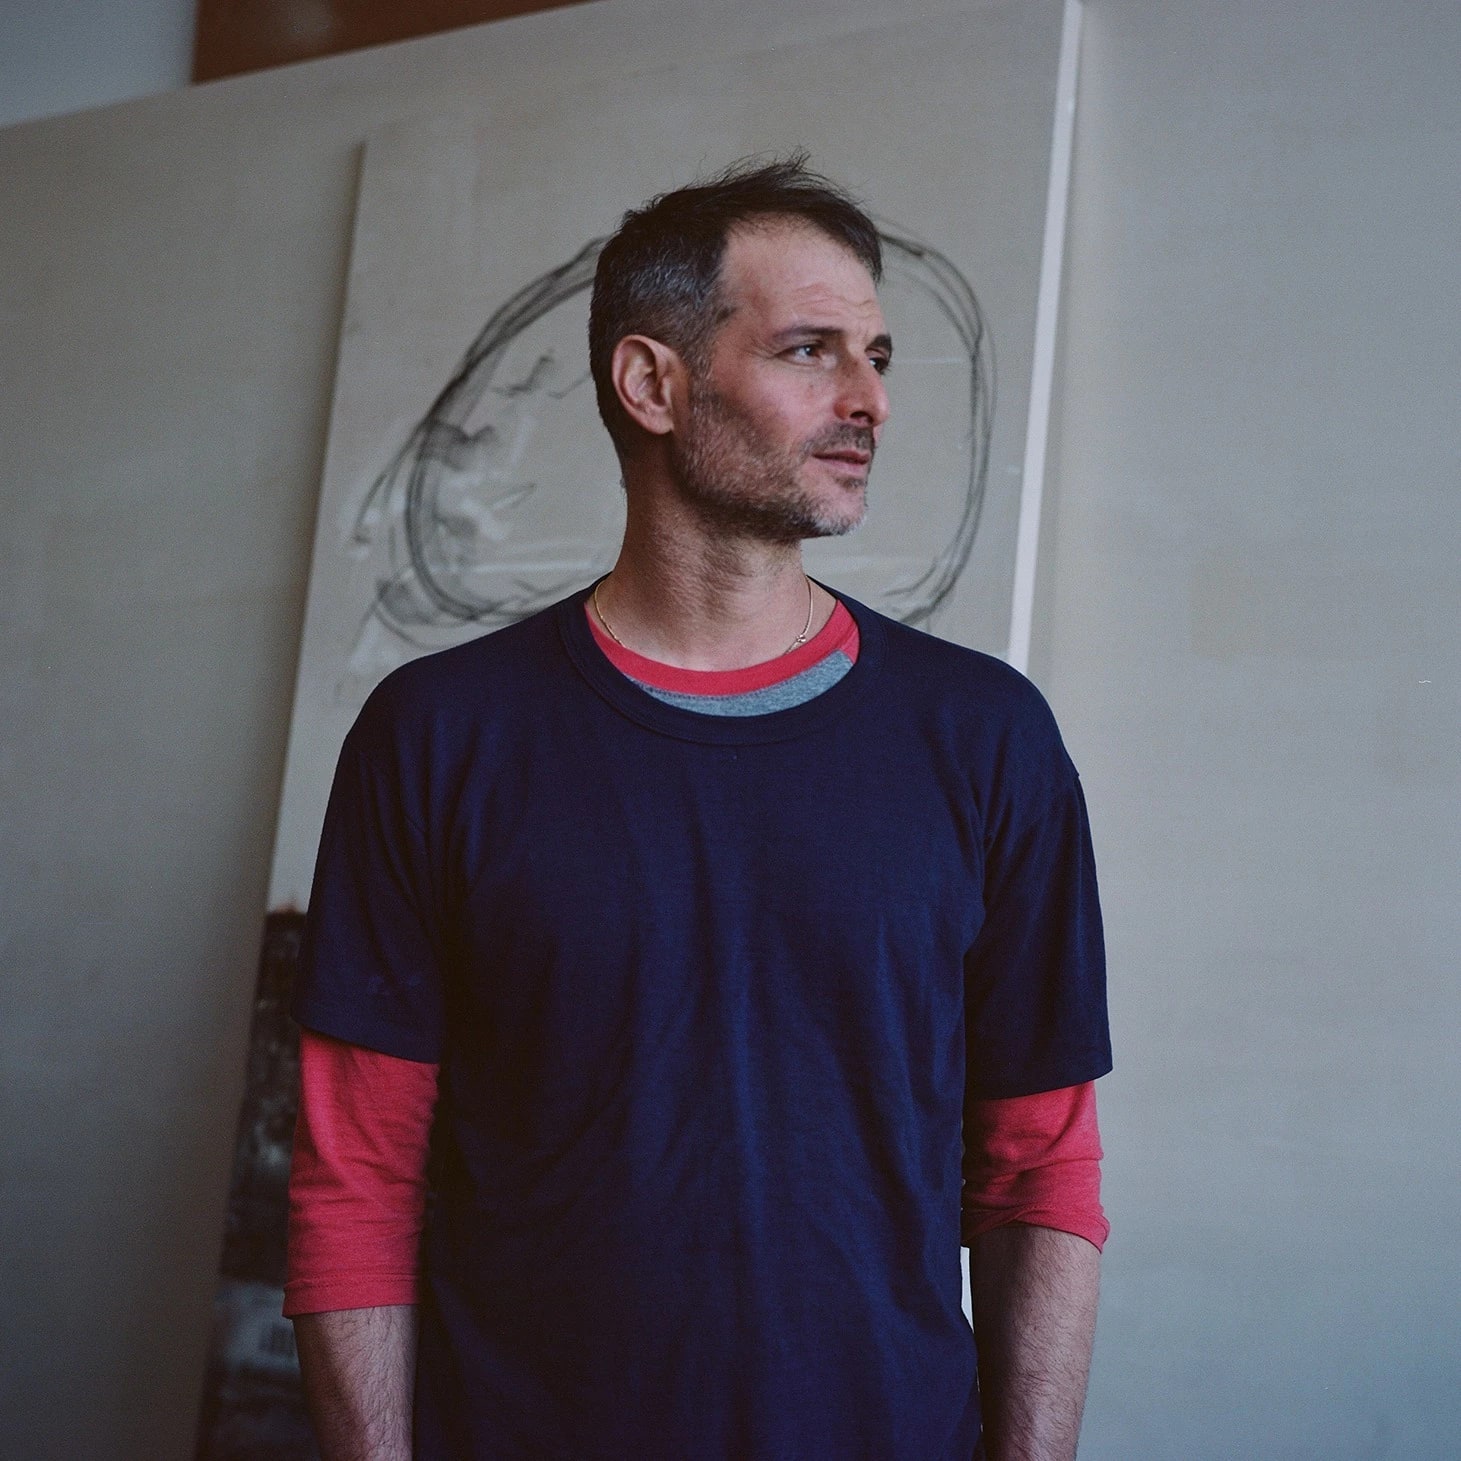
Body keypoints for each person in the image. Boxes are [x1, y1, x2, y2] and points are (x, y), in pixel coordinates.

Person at [286, 155, 1112, 1461]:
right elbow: (354, 1177)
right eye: (809, 350)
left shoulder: (983, 736)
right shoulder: (439, 735)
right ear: (651, 382)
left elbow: (1039, 1161)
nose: (870, 401)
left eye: (878, 354)